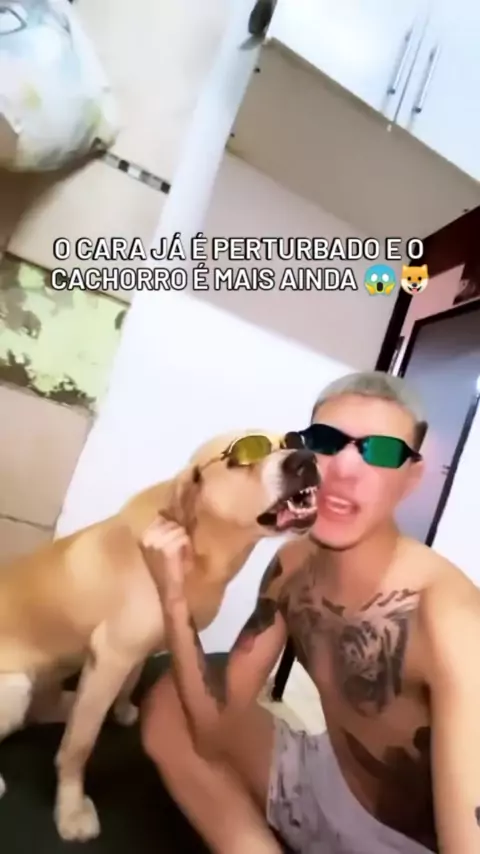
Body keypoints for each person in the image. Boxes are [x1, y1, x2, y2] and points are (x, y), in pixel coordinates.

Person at [139, 371, 480, 854]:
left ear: (411, 479)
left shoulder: (451, 617)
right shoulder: (292, 565)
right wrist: (173, 597)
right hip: (326, 783)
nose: (343, 470)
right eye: (324, 441)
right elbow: (213, 731)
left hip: (409, 844)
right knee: (169, 702)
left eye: (381, 451)